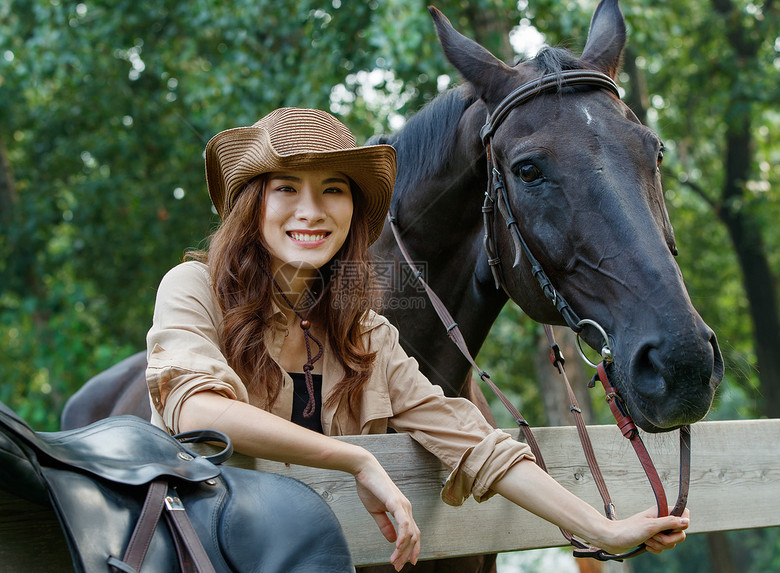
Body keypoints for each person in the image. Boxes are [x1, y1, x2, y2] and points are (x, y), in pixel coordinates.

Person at [145, 107, 689, 571]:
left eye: (332, 189)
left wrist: (603, 528)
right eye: (286, 187)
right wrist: (355, 460)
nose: (311, 210)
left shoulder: (364, 332)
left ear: (353, 211)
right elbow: (197, 412)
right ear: (252, 203)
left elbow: (473, 442)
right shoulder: (194, 289)